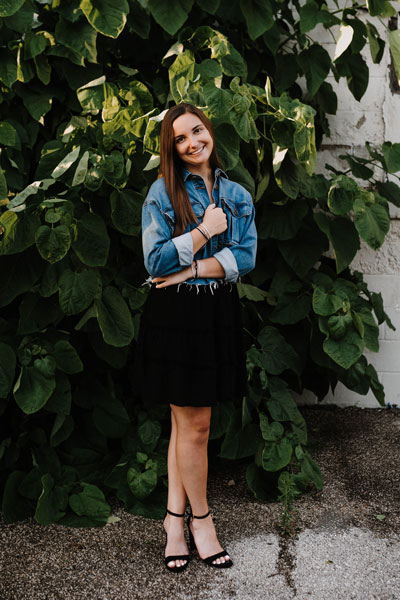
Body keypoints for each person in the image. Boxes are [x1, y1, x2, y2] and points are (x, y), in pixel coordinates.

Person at [135, 102, 257, 573]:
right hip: (176, 315)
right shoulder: (162, 193)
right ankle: (201, 522)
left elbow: (245, 257)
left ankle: (172, 521)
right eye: (180, 138)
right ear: (172, 147)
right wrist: (206, 231)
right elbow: (154, 262)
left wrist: (190, 267)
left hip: (216, 309)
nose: (191, 143)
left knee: (188, 427)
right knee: (195, 426)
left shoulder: (238, 194)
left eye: (197, 131)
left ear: (210, 131)